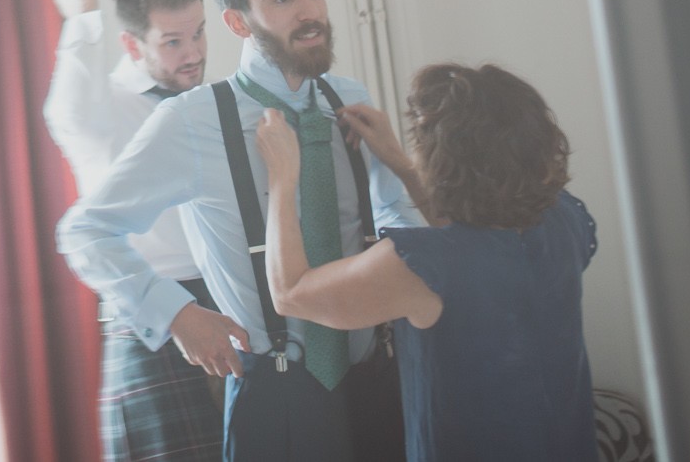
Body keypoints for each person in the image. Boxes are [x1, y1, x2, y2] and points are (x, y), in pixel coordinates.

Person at [58, 0, 419, 462]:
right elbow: (86, 230)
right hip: (274, 401)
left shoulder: (350, 99)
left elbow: (397, 217)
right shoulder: (192, 121)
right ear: (237, 22)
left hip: (377, 386)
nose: (310, 11)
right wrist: (176, 313)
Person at [255, 64, 600, 462]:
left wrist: (282, 178)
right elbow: (480, 232)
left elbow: (291, 293)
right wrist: (402, 166)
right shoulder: (566, 220)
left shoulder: (423, 266)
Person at [42, 0, 222, 462]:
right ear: (132, 44)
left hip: (227, 304)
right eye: (172, 41)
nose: (194, 53)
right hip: (153, 318)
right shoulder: (102, 111)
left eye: (198, 33)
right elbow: (66, 110)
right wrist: (82, 19)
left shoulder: (211, 101)